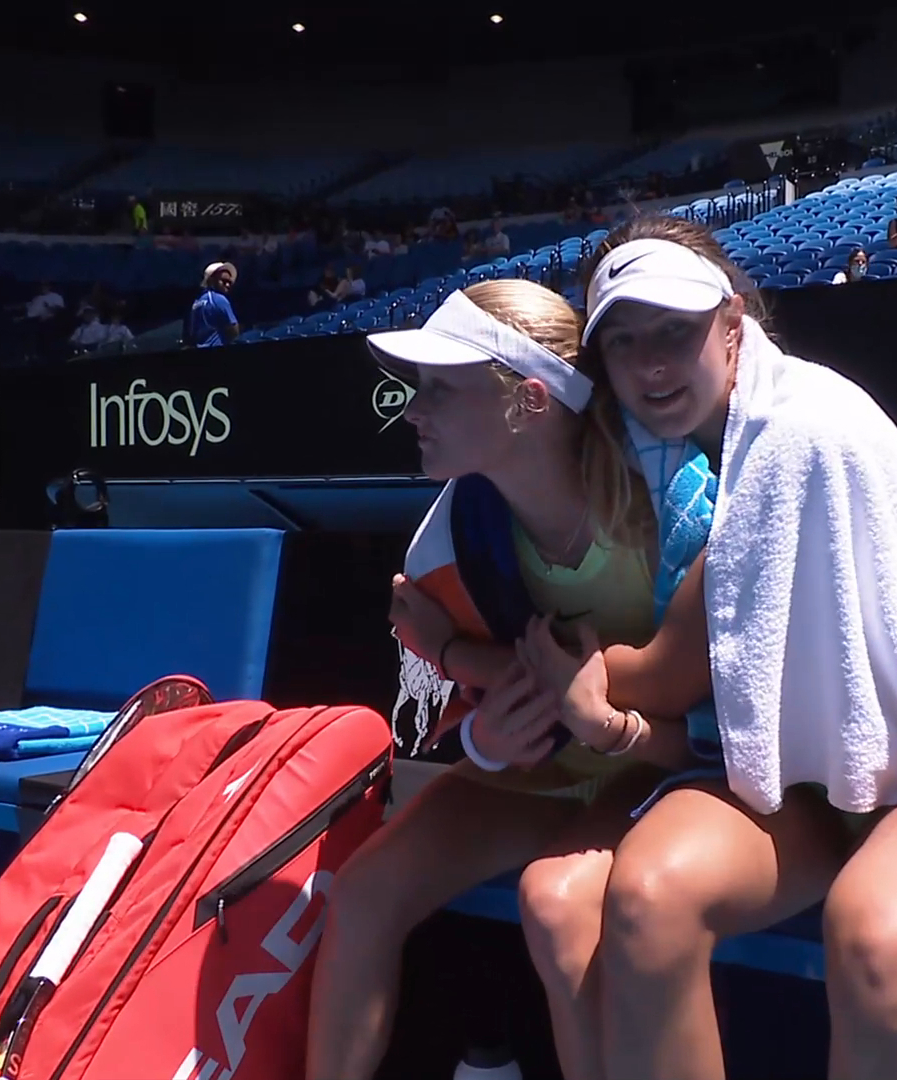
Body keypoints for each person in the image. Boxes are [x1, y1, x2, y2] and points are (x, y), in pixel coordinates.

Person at [515, 216, 897, 1080]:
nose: (653, 363)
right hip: (797, 788)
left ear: (733, 325)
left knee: (877, 941)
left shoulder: (795, 438)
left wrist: (571, 675)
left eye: (676, 331)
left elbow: (670, 676)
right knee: (649, 896)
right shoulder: (680, 459)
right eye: (624, 344)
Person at [304, 280, 713, 1080]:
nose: (412, 411)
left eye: (440, 390)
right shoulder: (457, 532)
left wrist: (462, 657)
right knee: (361, 895)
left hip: (672, 776)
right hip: (543, 776)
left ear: (529, 400)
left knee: (560, 909)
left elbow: (711, 704)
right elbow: (476, 717)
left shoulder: (674, 500)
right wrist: (486, 741)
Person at [188, 262, 240, 347]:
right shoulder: (219, 299)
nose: (227, 285)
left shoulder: (197, 301)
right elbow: (234, 330)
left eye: (229, 282)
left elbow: (192, 333)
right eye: (223, 281)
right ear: (211, 280)